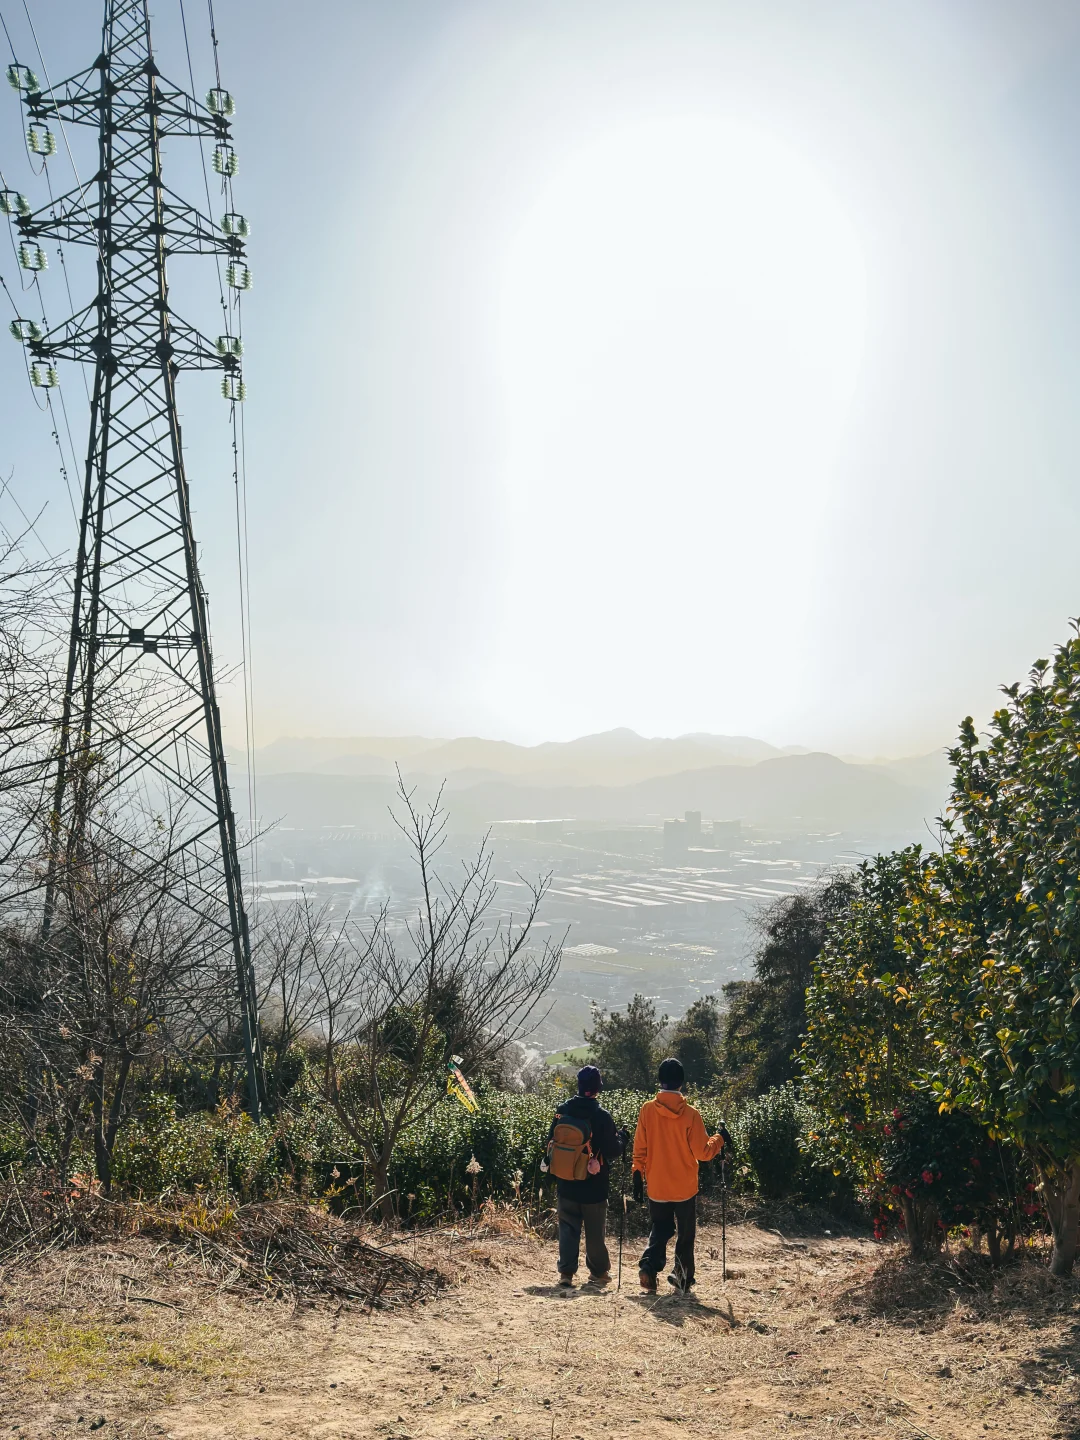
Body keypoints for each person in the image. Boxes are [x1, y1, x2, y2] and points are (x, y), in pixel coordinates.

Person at [632, 1056, 725, 1293]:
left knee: (660, 1228)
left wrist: (637, 1173)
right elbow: (703, 1153)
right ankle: (681, 1277)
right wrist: (720, 1138)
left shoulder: (647, 1110)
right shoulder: (691, 1114)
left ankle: (649, 1266)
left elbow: (640, 1148)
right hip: (684, 1187)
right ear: (681, 1082)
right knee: (685, 1234)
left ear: (660, 1081)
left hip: (657, 1184)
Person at [544, 1064, 630, 1287]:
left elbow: (550, 1140)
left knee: (568, 1229)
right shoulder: (602, 1115)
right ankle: (599, 1273)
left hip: (566, 1180)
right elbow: (612, 1150)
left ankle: (566, 1274)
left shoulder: (562, 1110)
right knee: (594, 1233)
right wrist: (623, 1138)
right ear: (598, 1088)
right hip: (594, 1184)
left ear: (579, 1085)